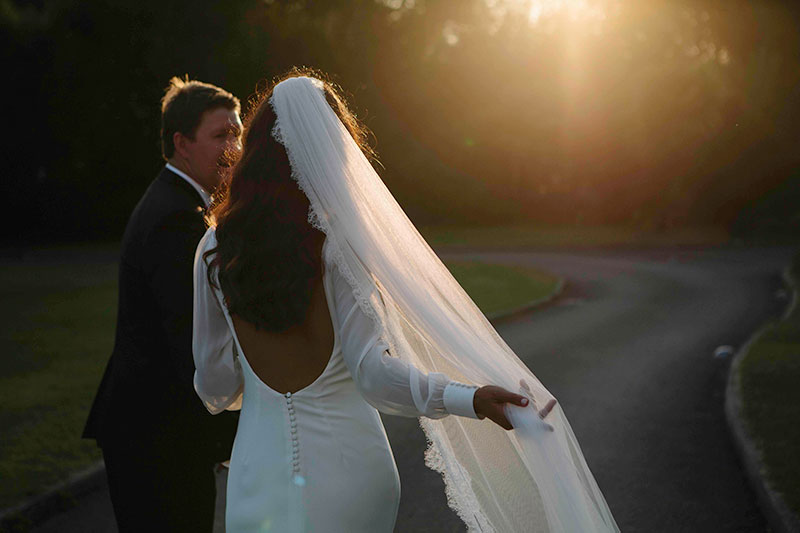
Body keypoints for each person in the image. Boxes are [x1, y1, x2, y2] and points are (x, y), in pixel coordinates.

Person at [194, 69, 618, 532]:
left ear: (257, 150)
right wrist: (469, 398)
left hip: (259, 476)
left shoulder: (214, 250)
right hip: (351, 473)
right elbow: (374, 377)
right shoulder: (338, 247)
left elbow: (214, 384)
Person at [83, 77, 243, 532]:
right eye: (220, 135)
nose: (234, 146)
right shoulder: (176, 218)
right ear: (181, 143)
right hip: (155, 435)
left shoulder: (182, 205)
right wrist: (231, 439)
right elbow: (190, 341)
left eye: (237, 133)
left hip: (158, 431)